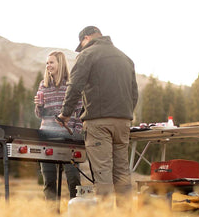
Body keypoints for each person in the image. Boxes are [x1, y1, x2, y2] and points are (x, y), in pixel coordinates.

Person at [57, 26, 138, 209]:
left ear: (86, 38)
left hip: (98, 122)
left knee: (103, 175)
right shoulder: (126, 58)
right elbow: (134, 94)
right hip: (123, 122)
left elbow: (75, 86)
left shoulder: (87, 54)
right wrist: (124, 114)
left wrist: (65, 114)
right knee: (122, 175)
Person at [34, 51, 83, 203]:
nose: (48, 65)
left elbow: (80, 111)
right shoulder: (44, 84)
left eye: (51, 62)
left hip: (68, 138)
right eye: (47, 63)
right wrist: (39, 106)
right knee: (49, 181)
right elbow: (40, 114)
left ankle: (76, 211)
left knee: (73, 179)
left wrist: (75, 133)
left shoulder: (71, 85)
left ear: (60, 64)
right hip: (47, 137)